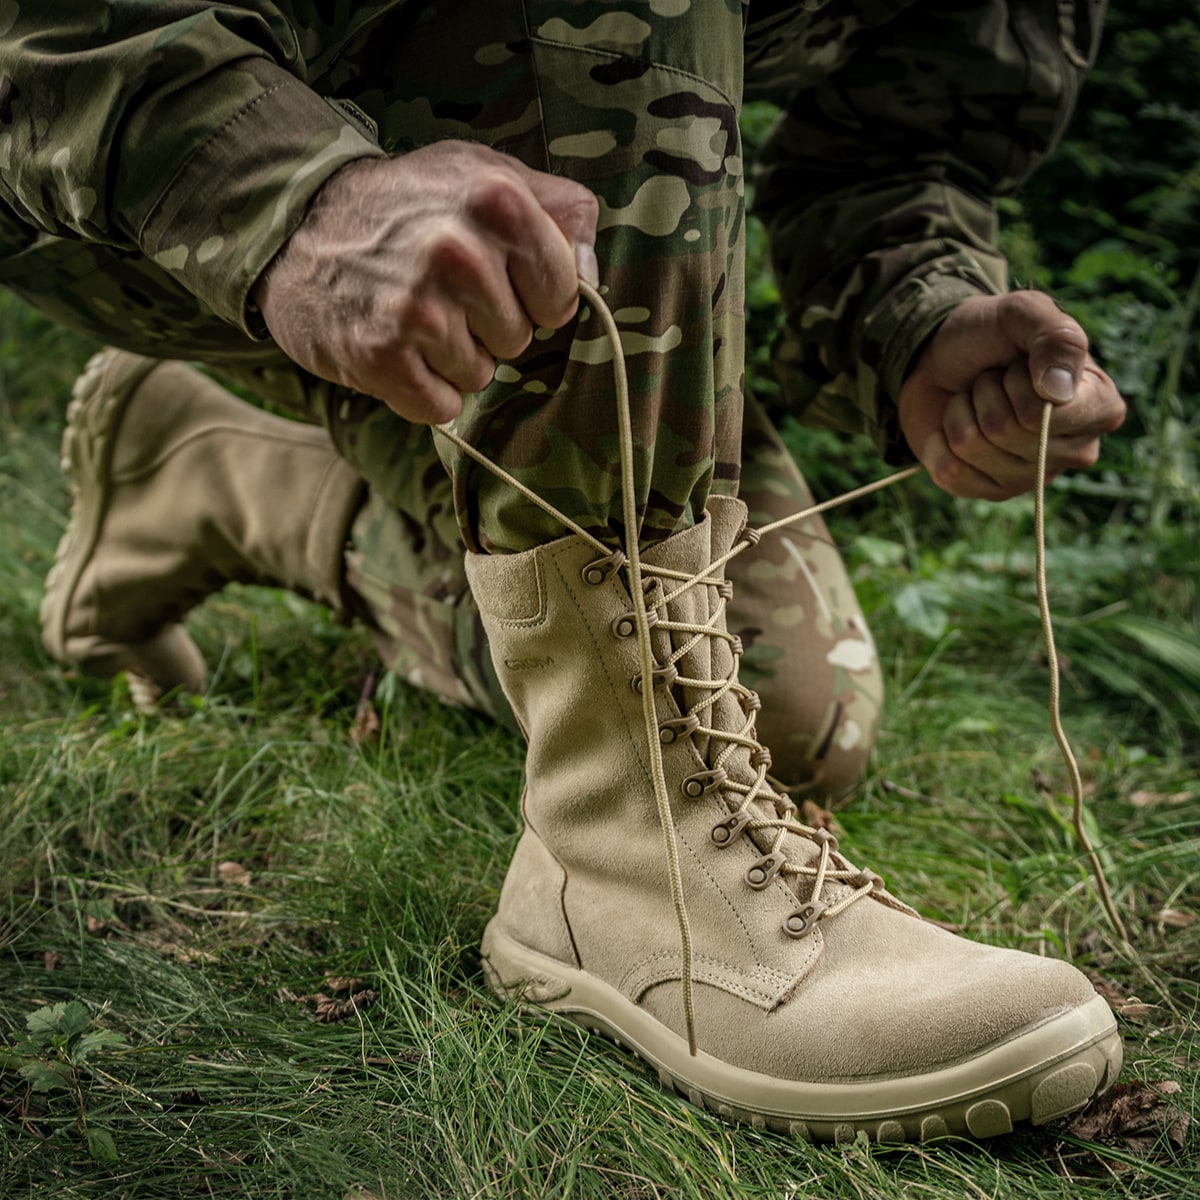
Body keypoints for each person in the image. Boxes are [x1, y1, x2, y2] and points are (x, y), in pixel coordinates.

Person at [6, 1, 1126, 1141]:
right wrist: (290, 195)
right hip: (140, 195)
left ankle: (221, 471)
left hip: (538, 283)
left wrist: (917, 313)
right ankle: (627, 843)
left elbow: (901, 152)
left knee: (791, 710)